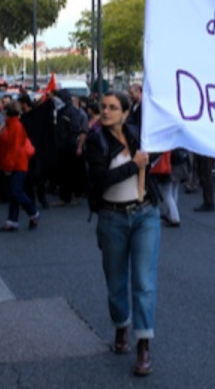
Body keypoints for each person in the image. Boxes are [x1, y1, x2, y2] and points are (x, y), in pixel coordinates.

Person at [85, 91, 160, 377]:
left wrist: (151, 156)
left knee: (144, 282)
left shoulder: (140, 135)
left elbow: (155, 155)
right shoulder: (96, 140)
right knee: (116, 282)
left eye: (113, 107)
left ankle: (144, 344)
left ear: (126, 113)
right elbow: (99, 180)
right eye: (103, 107)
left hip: (145, 215)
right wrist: (134, 165)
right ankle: (121, 326)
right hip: (112, 217)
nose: (105, 111)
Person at [0, 101, 41, 232]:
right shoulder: (10, 125)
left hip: (17, 164)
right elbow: (2, 143)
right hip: (13, 162)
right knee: (12, 193)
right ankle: (13, 220)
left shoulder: (15, 126)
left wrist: (9, 167)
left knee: (16, 191)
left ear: (8, 113)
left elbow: (14, 149)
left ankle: (33, 212)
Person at [54, 89, 88, 206]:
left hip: (70, 147)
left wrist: (77, 146)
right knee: (64, 173)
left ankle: (74, 195)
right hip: (63, 147)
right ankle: (65, 197)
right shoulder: (62, 111)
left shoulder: (72, 112)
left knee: (72, 173)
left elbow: (76, 129)